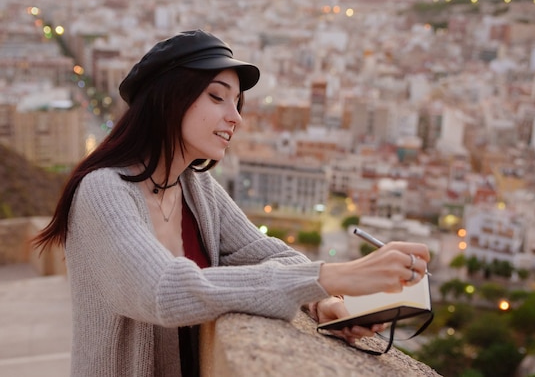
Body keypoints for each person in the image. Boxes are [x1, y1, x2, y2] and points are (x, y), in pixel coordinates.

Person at [33, 29, 430, 377]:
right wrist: (333, 276)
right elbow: (160, 290)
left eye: (237, 102)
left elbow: (270, 253)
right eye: (218, 97)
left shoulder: (196, 187)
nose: (235, 117)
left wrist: (321, 300)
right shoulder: (103, 191)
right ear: (169, 99)